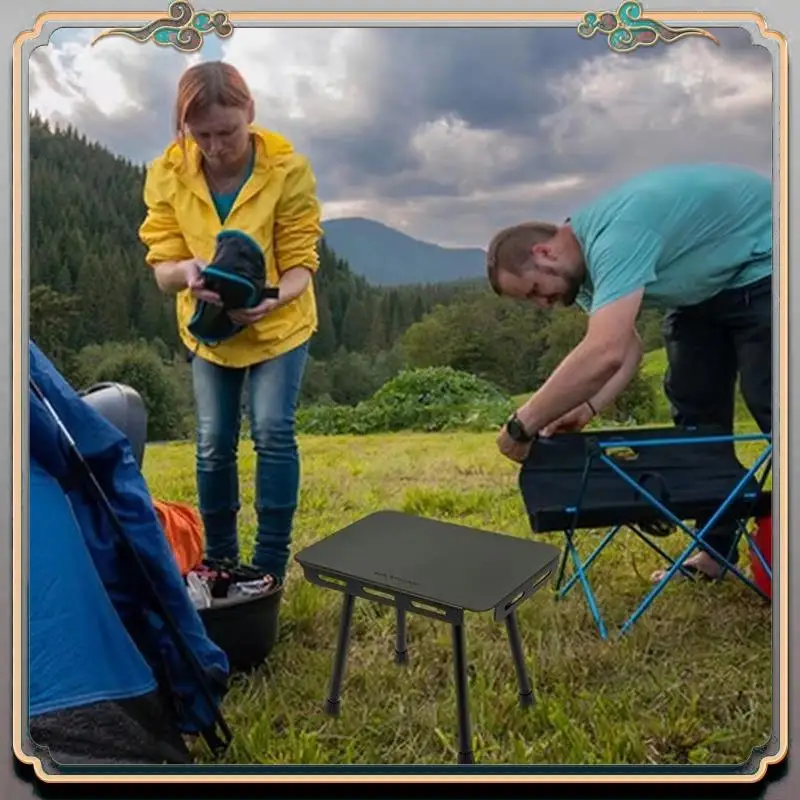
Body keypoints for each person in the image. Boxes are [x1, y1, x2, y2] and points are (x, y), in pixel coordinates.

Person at [485, 162, 772, 582]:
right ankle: (715, 553)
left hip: (768, 266)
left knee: (774, 406)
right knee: (696, 422)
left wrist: (521, 425)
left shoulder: (614, 237)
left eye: (534, 292)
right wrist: (589, 406)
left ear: (544, 253)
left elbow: (603, 350)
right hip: (705, 292)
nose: (542, 305)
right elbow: (627, 348)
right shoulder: (583, 274)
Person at [138, 60, 323, 583]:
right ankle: (218, 561)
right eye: (202, 135)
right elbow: (162, 267)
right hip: (211, 332)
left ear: (250, 113)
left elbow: (300, 265)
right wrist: (186, 273)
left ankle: (267, 566)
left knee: (271, 431)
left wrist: (272, 298)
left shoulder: (289, 171)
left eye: (227, 132)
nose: (216, 147)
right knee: (214, 440)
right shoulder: (167, 174)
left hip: (277, 325)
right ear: (185, 129)